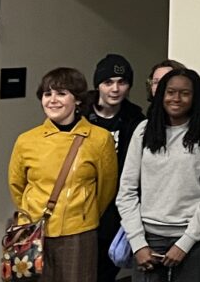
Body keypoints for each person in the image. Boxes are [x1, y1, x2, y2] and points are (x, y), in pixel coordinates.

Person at [117, 68, 200, 282]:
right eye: (170, 92)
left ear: (195, 98)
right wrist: (138, 243)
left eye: (185, 93)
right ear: (161, 95)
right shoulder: (143, 130)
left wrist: (185, 243)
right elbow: (127, 192)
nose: (176, 98)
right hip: (148, 238)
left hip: (195, 240)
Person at [7, 67, 119, 282]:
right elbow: (17, 186)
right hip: (33, 231)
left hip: (78, 232)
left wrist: (83, 212)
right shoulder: (26, 140)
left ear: (78, 99)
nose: (52, 100)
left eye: (61, 93)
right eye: (47, 94)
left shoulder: (99, 139)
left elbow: (106, 189)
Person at [88, 53, 147, 282]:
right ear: (98, 85)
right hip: (81, 206)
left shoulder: (136, 120)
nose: (115, 89)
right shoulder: (80, 115)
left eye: (122, 82)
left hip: (116, 210)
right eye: (108, 82)